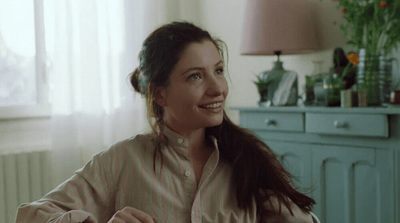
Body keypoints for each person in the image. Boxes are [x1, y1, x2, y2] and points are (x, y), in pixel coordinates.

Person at [16, 21, 317, 223]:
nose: (218, 88)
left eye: (219, 70)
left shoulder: (247, 162)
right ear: (159, 94)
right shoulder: (122, 161)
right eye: (196, 76)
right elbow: (30, 216)